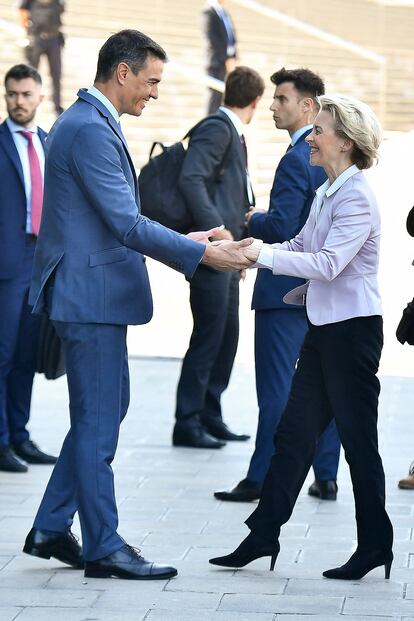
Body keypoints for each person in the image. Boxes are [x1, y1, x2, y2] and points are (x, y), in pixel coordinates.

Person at [22, 29, 256, 581]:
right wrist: (203, 257)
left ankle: (53, 525)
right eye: (150, 81)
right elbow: (125, 223)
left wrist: (193, 241)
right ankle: (104, 545)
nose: (154, 92)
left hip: (92, 296)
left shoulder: (88, 123)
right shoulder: (88, 129)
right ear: (121, 73)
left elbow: (115, 216)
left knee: (103, 414)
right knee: (99, 424)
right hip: (90, 299)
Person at [210, 94, 394, 581]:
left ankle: (376, 544)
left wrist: (262, 259)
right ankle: (263, 534)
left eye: (321, 129)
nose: (312, 136)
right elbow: (300, 246)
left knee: (359, 444)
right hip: (324, 331)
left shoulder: (356, 197)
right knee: (292, 436)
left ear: (346, 143)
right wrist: (253, 248)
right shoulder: (328, 191)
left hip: (352, 335)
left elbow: (329, 264)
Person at [214, 68, 341, 502]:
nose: (272, 106)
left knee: (276, 391)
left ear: (308, 105)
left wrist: (254, 220)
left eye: (281, 99)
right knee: (323, 385)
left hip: (281, 290)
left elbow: (285, 224)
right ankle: (326, 475)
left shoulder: (295, 157)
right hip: (319, 288)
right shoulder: (331, 156)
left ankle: (260, 477)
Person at [173, 66, 265, 449]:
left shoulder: (230, 131)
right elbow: (191, 178)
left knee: (226, 336)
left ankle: (210, 414)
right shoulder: (217, 127)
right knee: (209, 337)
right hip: (211, 252)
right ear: (256, 102)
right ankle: (187, 422)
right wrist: (220, 231)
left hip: (228, 254)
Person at [0, 64, 57, 473]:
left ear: (39, 97)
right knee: (2, 354)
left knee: (26, 354)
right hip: (7, 260)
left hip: (41, 261)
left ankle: (20, 435)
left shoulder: (47, 141)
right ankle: (1, 440)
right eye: (12, 94)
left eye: (26, 94)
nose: (18, 101)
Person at [19, 0, 65, 116]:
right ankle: (27, 105)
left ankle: (57, 107)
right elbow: (22, 10)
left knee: (56, 74)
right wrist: (28, 30)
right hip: (37, 38)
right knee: (30, 75)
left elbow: (60, 9)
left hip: (54, 38)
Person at [201, 0, 237, 114]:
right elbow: (212, 39)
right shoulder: (208, 12)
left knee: (223, 98)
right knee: (214, 97)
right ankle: (209, 127)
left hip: (227, 61)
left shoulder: (223, 12)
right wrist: (226, 58)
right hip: (216, 63)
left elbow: (231, 37)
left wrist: (233, 57)